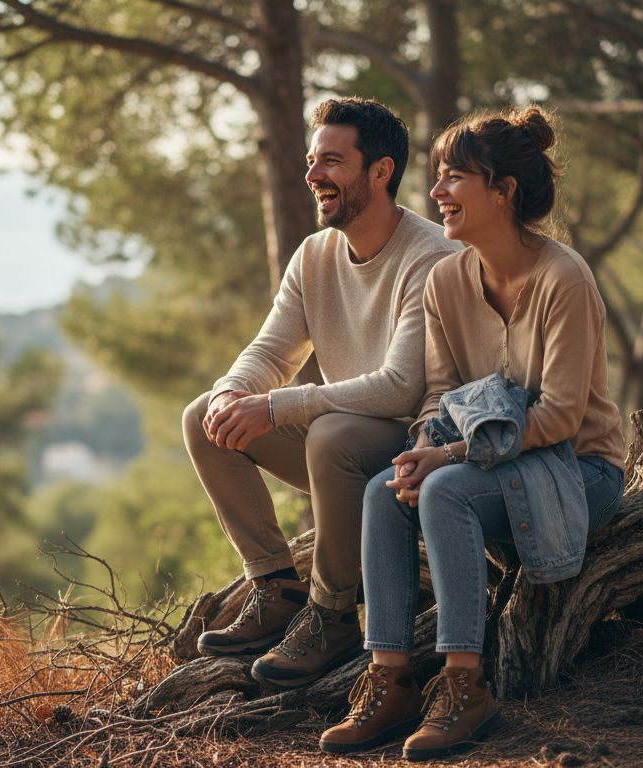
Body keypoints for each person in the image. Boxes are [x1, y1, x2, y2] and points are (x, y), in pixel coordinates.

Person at [319, 107, 626, 760]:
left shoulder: (563, 279)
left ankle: (464, 686)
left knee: (447, 491)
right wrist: (423, 448)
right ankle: (392, 680)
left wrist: (451, 455)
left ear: (504, 191)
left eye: (453, 177)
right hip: (492, 466)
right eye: (436, 177)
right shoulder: (446, 281)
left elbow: (563, 418)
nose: (436, 194)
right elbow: (439, 396)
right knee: (383, 490)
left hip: (579, 471)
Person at [182, 97, 457, 687]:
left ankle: (332, 616)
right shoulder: (315, 253)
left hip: (417, 453)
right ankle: (278, 588)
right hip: (339, 448)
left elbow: (401, 386)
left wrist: (277, 405)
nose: (312, 177)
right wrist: (235, 392)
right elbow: (272, 351)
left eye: (331, 162)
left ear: (380, 172)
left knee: (331, 432)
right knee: (203, 415)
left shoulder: (431, 256)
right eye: (312, 161)